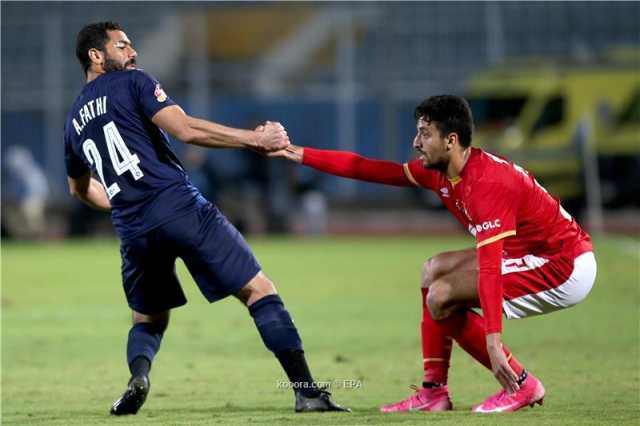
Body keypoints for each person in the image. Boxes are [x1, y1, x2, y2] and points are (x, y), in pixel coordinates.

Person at [64, 22, 349, 416]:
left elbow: (78, 190)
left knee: (147, 318)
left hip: (133, 228)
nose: (133, 52)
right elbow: (185, 129)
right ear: (96, 56)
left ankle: (138, 377)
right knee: (259, 291)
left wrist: (120, 200)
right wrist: (256, 139)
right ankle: (307, 391)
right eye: (122, 45)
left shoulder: (73, 120)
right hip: (179, 207)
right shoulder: (133, 82)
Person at [271, 95, 596, 413]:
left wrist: (494, 344)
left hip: (563, 265)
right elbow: (365, 168)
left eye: (425, 134)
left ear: (450, 140)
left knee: (440, 296)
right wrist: (296, 153)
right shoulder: (442, 171)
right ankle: (433, 393)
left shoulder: (486, 184)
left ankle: (521, 383)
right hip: (529, 251)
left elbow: (490, 271)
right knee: (433, 269)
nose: (416, 142)